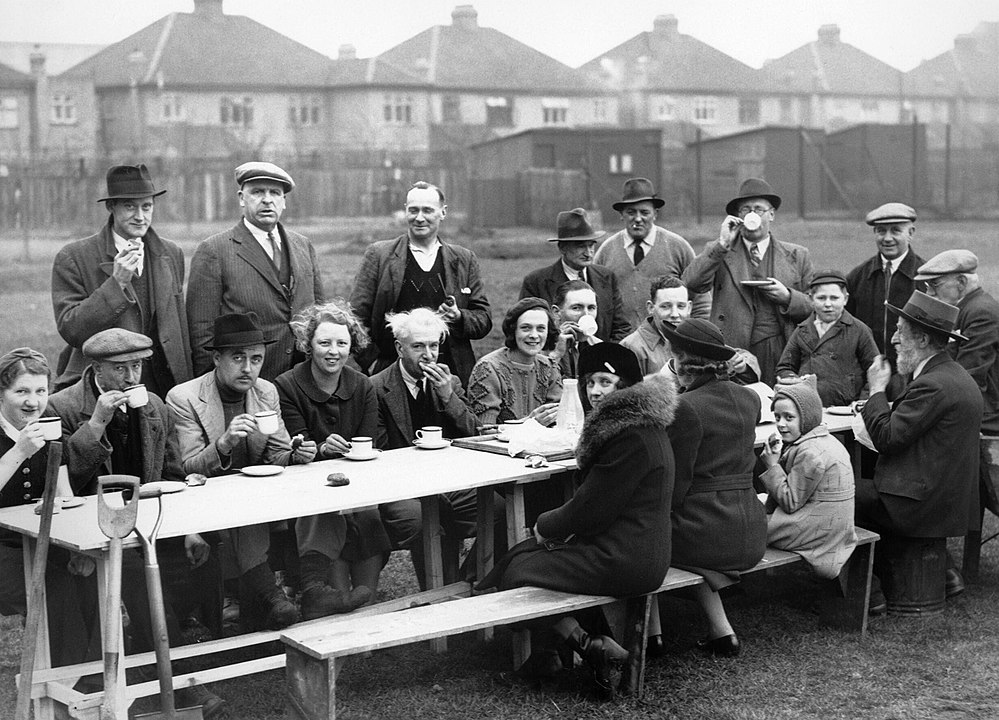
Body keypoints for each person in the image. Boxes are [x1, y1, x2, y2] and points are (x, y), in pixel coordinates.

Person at [47, 329, 226, 715]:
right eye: (120, 368)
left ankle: (172, 681)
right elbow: (65, 481)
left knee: (169, 572)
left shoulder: (155, 407)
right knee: (138, 584)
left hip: (145, 528)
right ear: (95, 368)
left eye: (137, 366)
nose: (132, 378)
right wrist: (96, 424)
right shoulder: (61, 407)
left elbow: (173, 475)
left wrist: (190, 529)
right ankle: (170, 687)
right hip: (84, 533)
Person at [477, 346, 676, 694]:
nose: (595, 391)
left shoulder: (628, 437)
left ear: (626, 386)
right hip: (637, 549)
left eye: (605, 382)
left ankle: (587, 644)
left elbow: (591, 508)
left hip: (627, 559)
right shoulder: (643, 427)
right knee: (525, 554)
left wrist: (544, 525)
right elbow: (596, 507)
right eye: (589, 383)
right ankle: (549, 655)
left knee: (517, 569)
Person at [167, 312, 368, 629]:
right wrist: (223, 443)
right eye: (238, 358)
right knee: (245, 507)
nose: (248, 368)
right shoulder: (185, 398)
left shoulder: (265, 392)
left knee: (320, 494)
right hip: (211, 500)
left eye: (256, 359)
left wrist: (296, 454)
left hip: (261, 492)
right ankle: (273, 598)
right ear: (217, 358)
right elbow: (188, 466)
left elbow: (276, 452)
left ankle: (314, 590)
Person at [859, 291, 983, 609]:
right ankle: (946, 573)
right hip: (946, 499)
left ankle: (867, 592)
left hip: (921, 505)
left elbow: (887, 437)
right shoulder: (954, 376)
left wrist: (875, 389)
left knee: (842, 493)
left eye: (901, 331)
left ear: (924, 339)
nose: (894, 339)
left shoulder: (933, 384)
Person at [370, 307, 502, 588]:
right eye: (418, 346)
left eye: (433, 346)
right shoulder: (377, 388)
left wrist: (448, 397)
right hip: (400, 487)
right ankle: (439, 596)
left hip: (448, 482)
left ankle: (468, 581)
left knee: (500, 510)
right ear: (399, 348)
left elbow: (472, 433)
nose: (428, 354)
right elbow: (379, 453)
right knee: (424, 522)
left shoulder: (449, 382)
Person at [274, 300, 389, 602]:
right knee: (330, 515)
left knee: (366, 517)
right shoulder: (286, 385)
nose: (333, 351)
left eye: (342, 343)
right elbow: (295, 442)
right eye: (324, 343)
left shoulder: (363, 385)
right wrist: (322, 448)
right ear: (308, 345)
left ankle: (359, 602)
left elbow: (369, 442)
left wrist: (350, 450)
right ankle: (331, 597)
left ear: (353, 346)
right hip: (306, 484)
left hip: (357, 482)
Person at [666, 318, 767, 657]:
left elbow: (675, 486)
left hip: (708, 533)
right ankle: (721, 631)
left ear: (680, 360)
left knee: (641, 532)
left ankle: (649, 636)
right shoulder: (750, 398)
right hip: (752, 531)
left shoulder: (686, 407)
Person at [51, 164, 191, 395]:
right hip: (104, 385)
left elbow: (179, 328)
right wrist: (116, 285)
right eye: (129, 206)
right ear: (111, 207)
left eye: (146, 206)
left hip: (163, 386)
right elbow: (71, 329)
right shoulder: (74, 257)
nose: (140, 216)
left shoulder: (171, 253)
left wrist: (185, 384)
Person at [187, 161, 325, 382]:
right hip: (247, 379)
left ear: (284, 201)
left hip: (303, 378)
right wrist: (214, 384)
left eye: (275, 193)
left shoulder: (303, 245)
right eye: (258, 192)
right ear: (242, 198)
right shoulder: (215, 250)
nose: (267, 200)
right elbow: (202, 330)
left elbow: (319, 309)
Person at [350, 180, 492, 387]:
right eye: (413, 210)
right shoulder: (379, 255)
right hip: (391, 369)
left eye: (427, 210)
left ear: (442, 213)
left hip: (449, 371)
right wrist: (369, 362)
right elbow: (356, 317)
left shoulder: (464, 259)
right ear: (405, 211)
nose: (419, 218)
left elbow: (484, 320)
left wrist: (459, 316)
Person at [0, 348, 91, 670]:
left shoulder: (49, 431)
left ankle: (88, 675)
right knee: (56, 590)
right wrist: (20, 450)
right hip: (3, 549)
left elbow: (65, 495)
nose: (32, 401)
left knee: (96, 578)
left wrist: (80, 549)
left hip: (43, 542)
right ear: (1, 393)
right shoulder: (18, 437)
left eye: (41, 391)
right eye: (21, 391)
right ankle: (72, 681)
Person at [683, 178, 813, 385]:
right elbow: (691, 283)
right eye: (745, 210)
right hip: (732, 352)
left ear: (771, 214)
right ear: (737, 216)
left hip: (779, 350)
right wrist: (723, 243)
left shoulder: (797, 255)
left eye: (758, 209)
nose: (752, 215)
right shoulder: (720, 251)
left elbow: (815, 306)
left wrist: (788, 298)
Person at [759, 382, 857, 579]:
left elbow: (790, 502)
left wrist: (772, 465)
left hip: (818, 532)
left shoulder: (810, 452)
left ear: (807, 418)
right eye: (777, 417)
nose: (781, 424)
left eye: (789, 418)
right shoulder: (824, 440)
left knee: (746, 529)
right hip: (834, 525)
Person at [594, 177, 708, 328]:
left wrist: (694, 336)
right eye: (631, 212)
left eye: (644, 212)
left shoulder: (678, 247)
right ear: (622, 215)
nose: (638, 218)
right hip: (620, 344)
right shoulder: (606, 251)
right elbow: (594, 301)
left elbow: (701, 302)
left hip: (670, 342)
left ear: (655, 214)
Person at [915, 250, 999, 436]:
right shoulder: (967, 309)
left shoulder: (981, 313)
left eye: (935, 284)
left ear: (961, 282)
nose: (929, 292)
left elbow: (970, 375)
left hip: (984, 423)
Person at [520, 207, 630, 343]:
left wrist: (604, 354)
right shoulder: (537, 282)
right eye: (580, 246)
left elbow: (622, 327)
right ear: (562, 248)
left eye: (591, 245)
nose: (588, 252)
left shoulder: (606, 277)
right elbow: (526, 328)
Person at [776, 270, 879, 407]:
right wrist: (792, 380)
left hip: (847, 408)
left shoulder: (859, 330)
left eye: (834, 298)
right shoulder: (802, 330)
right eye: (821, 298)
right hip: (808, 405)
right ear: (811, 299)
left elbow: (875, 370)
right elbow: (785, 366)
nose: (828, 304)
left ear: (845, 299)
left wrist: (863, 402)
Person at [845, 202, 925, 369]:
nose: (887, 238)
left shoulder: (925, 277)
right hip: (867, 371)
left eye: (896, 230)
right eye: (881, 231)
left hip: (912, 373)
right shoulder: (857, 276)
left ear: (911, 233)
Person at [467, 298, 563, 427]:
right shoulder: (488, 368)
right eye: (525, 328)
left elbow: (559, 420)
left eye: (540, 328)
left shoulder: (549, 367)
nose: (534, 335)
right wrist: (530, 424)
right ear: (513, 331)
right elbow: (484, 429)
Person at [549, 279, 601, 378]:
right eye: (576, 308)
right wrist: (556, 354)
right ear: (556, 312)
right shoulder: (539, 344)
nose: (586, 315)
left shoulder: (598, 346)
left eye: (591, 308)